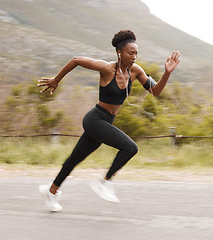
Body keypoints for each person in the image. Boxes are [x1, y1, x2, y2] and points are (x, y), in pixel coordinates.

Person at [38, 30, 181, 212]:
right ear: (119, 52)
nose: (135, 57)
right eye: (131, 53)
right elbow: (76, 60)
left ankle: (51, 192)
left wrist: (167, 73)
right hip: (95, 119)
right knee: (130, 148)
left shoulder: (136, 71)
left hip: (105, 122)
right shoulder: (107, 68)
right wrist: (56, 80)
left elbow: (156, 91)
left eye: (136, 53)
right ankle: (104, 182)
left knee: (74, 159)